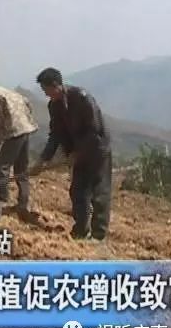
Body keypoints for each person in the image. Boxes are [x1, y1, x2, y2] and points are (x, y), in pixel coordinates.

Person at [34, 67, 112, 241]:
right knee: (78, 190)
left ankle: (99, 234)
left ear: (56, 85)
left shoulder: (82, 99)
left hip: (97, 150)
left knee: (99, 192)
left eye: (47, 90)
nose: (46, 95)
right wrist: (43, 159)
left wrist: (79, 152)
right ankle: (81, 231)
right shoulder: (54, 106)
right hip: (77, 152)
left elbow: (95, 131)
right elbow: (55, 134)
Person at [0, 86, 39, 218]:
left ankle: (2, 199)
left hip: (14, 131)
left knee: (1, 167)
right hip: (26, 128)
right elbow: (27, 103)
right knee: (21, 169)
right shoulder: (6, 91)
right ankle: (23, 201)